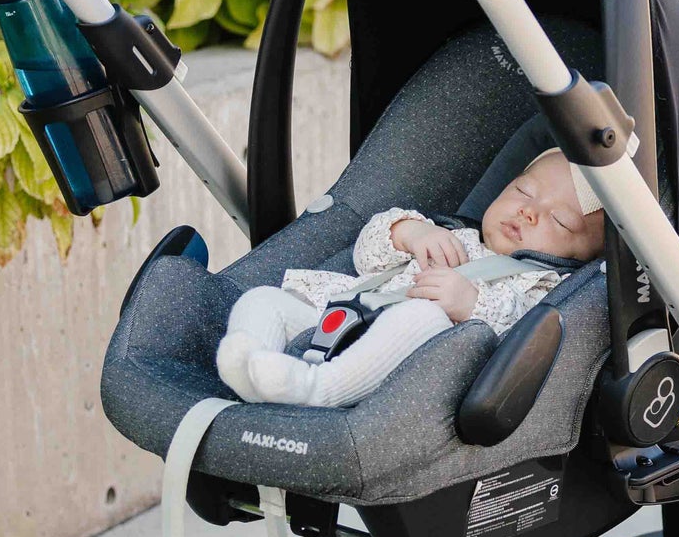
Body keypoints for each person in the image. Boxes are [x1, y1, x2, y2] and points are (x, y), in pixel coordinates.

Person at [216, 148, 605, 408]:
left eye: (560, 220)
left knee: (423, 315)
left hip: (410, 350)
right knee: (263, 300)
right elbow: (367, 256)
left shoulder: (544, 287)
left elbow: (521, 341)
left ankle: (318, 388)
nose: (529, 212)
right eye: (523, 191)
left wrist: (471, 305)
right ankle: (250, 361)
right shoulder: (451, 233)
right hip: (347, 310)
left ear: (583, 256)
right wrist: (410, 233)